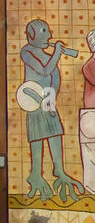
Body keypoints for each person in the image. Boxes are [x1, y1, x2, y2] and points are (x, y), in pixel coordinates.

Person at [20, 19, 83, 200]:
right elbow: (45, 71)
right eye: (44, 31)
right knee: (37, 135)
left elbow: (54, 75)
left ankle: (59, 170)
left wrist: (52, 98)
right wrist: (56, 52)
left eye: (48, 31)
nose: (49, 35)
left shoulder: (48, 54)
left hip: (48, 100)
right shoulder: (27, 52)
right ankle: (36, 173)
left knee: (55, 133)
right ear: (32, 35)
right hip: (34, 101)